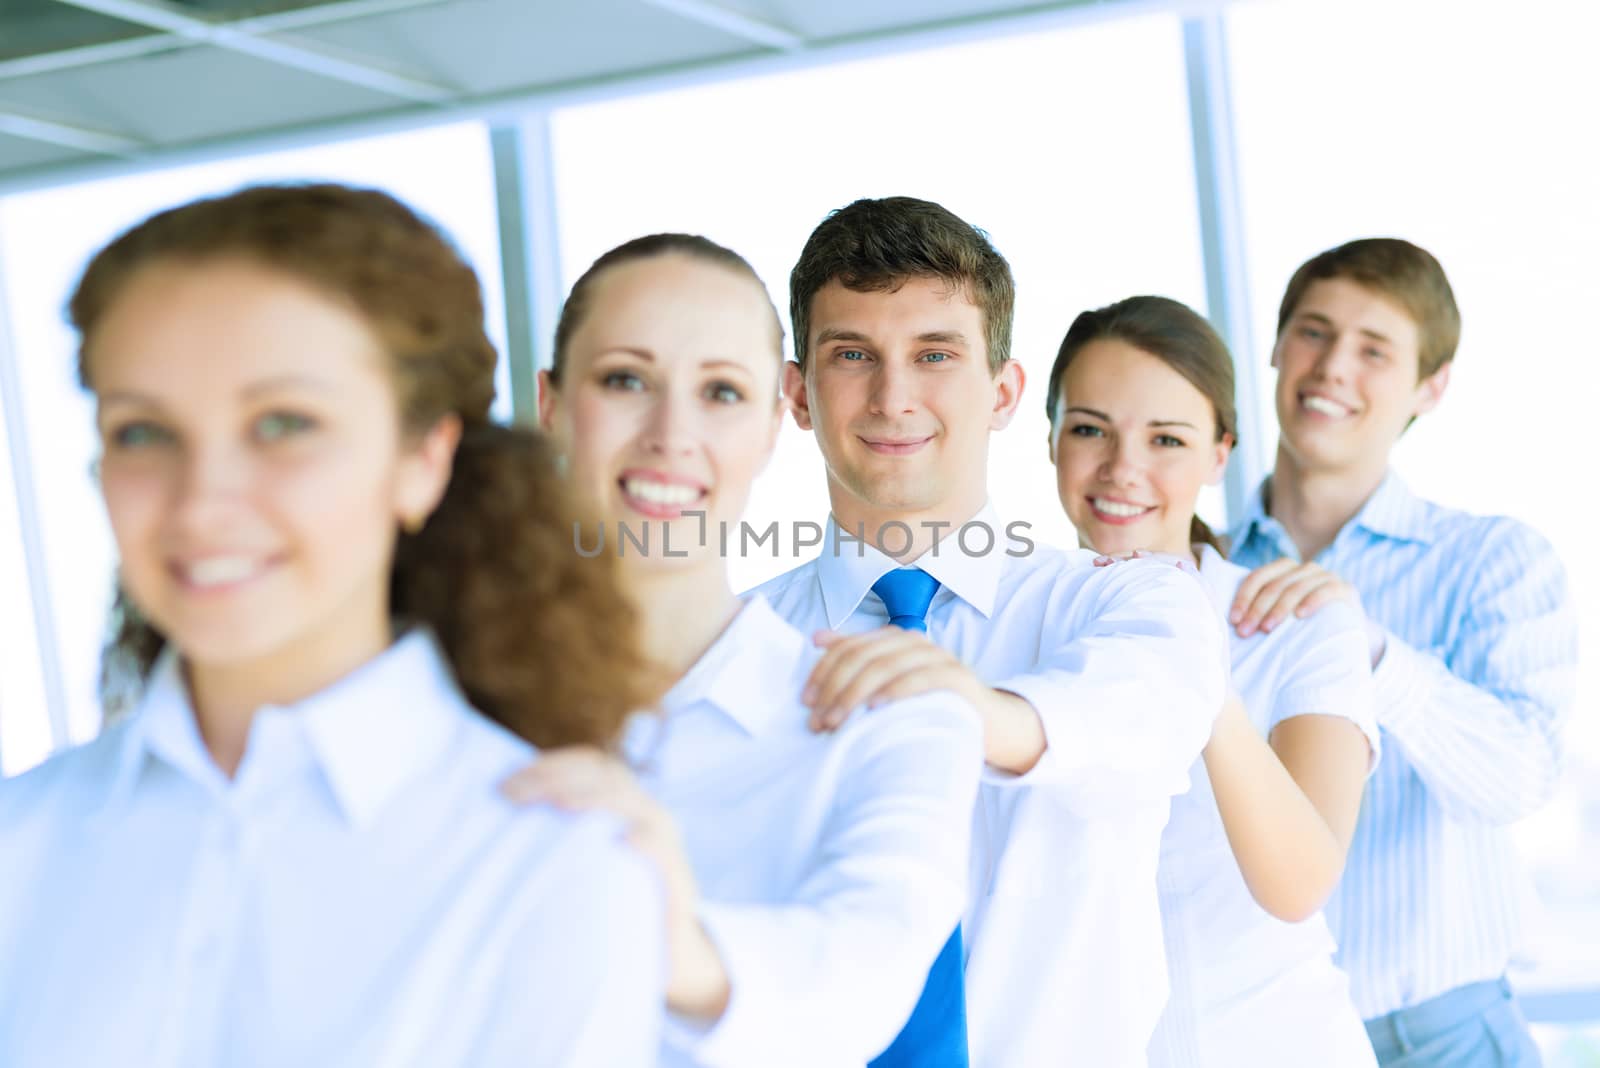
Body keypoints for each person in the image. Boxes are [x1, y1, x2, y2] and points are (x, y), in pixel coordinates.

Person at [0, 184, 666, 1067]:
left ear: (423, 459)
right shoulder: (21, 839)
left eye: (283, 424)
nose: (201, 503)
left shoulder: (551, 871)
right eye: (143, 432)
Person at [750, 197, 1227, 1067]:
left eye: (935, 355)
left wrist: (965, 709)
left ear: (1004, 392)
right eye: (852, 355)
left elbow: (1145, 720)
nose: (894, 397)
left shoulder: (1124, 605)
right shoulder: (733, 649)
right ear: (798, 395)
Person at [507, 232, 984, 1068]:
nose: (669, 433)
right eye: (625, 380)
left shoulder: (893, 719)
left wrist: (674, 937)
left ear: (773, 427)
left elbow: (863, 976)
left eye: (720, 392)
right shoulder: (439, 702)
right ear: (549, 403)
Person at [1226, 238, 1577, 1067]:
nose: (1333, 367)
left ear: (1430, 384)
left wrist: (1371, 652)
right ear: (1276, 349)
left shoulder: (1494, 561)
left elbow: (1519, 778)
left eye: (1374, 349)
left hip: (1442, 1040)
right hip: (1260, 1039)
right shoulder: (1204, 569)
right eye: (1313, 332)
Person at [1045, 294, 1379, 1067]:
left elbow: (1298, 886)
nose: (1123, 469)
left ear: (1219, 454)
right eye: (1090, 428)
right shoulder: (1005, 629)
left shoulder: (1300, 624)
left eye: (1167, 438)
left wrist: (1190, 663)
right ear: (1052, 437)